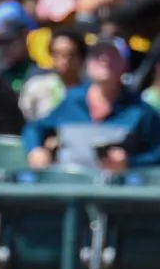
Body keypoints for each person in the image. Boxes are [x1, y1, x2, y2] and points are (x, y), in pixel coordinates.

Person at [23, 37, 160, 171]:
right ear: (87, 64)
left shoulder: (140, 110)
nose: (104, 60)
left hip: (115, 190)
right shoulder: (72, 100)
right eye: (97, 55)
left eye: (113, 55)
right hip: (69, 184)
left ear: (125, 65)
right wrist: (35, 149)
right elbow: (34, 128)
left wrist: (130, 162)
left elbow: (156, 153)